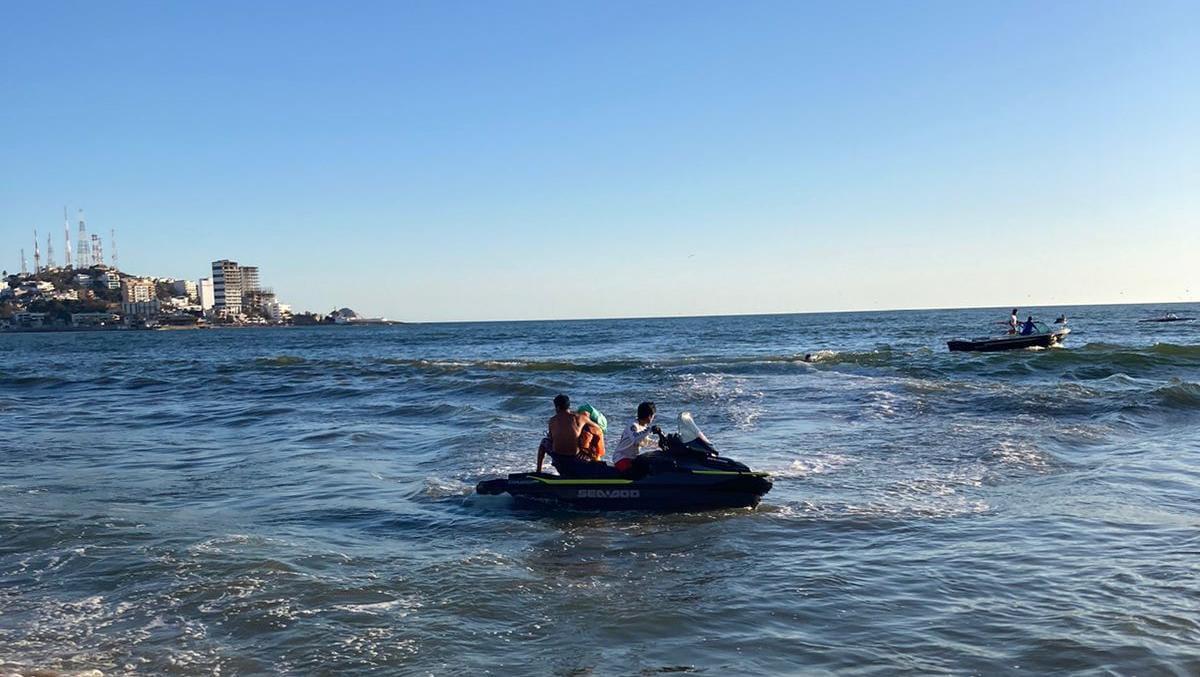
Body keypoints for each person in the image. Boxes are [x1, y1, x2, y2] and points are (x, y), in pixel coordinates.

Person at [537, 394, 613, 478]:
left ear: (557, 408)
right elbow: (598, 428)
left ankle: (538, 471)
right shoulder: (580, 418)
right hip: (576, 459)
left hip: (558, 459)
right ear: (569, 406)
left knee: (544, 441)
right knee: (590, 434)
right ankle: (596, 462)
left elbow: (551, 438)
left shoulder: (552, 420)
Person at [612, 401, 662, 474]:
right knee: (635, 474)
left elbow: (645, 442)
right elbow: (635, 439)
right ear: (649, 416)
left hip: (632, 458)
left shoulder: (644, 427)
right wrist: (650, 430)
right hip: (622, 458)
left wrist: (659, 443)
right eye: (654, 416)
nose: (654, 418)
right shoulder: (632, 425)